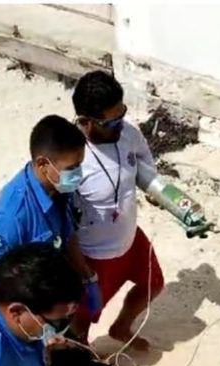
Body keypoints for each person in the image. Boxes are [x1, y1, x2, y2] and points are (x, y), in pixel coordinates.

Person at [67, 70, 165, 350]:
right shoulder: (72, 157)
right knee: (83, 319)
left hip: (131, 239)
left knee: (153, 285)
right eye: (111, 122)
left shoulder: (128, 133)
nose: (120, 125)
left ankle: (121, 327)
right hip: (95, 256)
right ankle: (82, 359)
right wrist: (80, 268)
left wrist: (157, 190)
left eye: (122, 114)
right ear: (85, 122)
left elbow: (145, 159)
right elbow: (58, 216)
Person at [0, 115, 101, 319]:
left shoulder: (59, 187)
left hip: (54, 301)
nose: (78, 174)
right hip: (28, 314)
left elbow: (67, 235)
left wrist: (88, 277)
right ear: (43, 164)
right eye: (71, 168)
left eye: (79, 165)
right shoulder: (8, 218)